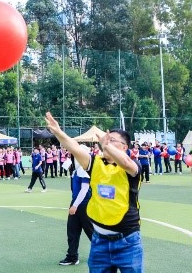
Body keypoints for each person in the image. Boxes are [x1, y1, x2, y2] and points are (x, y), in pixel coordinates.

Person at [45, 112, 143, 273]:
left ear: (125, 147)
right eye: (105, 140)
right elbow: (74, 147)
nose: (106, 143)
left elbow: (125, 162)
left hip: (128, 242)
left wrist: (106, 145)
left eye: (112, 140)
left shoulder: (133, 166)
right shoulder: (95, 163)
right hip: (99, 242)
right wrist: (58, 131)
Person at [59, 157, 94, 266]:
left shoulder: (83, 171)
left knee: (91, 232)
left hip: (84, 205)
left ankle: (104, 254)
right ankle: (72, 256)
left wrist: (74, 205)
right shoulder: (76, 170)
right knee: (72, 231)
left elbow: (84, 190)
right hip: (77, 203)